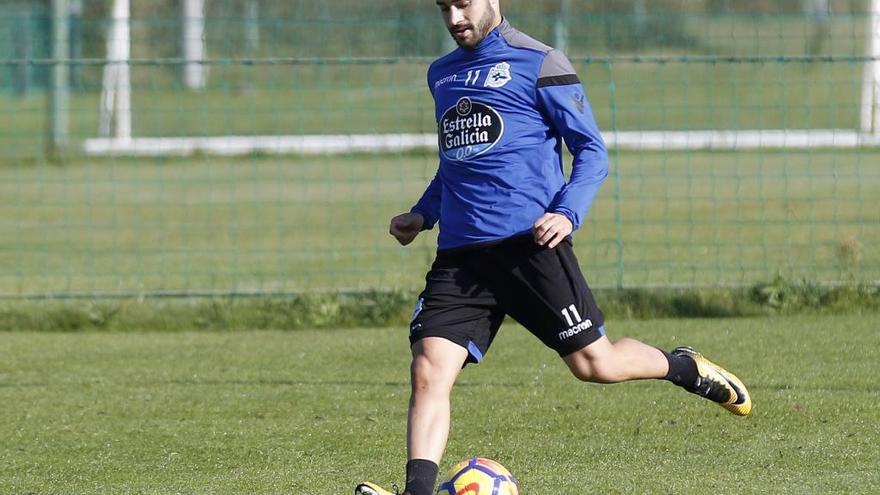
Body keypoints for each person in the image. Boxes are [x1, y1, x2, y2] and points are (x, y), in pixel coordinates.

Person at [356, 1, 752, 494]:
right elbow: (456, 162)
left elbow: (591, 150)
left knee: (596, 365)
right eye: (445, 7)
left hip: (531, 247)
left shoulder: (540, 62)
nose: (455, 17)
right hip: (461, 256)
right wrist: (422, 214)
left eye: (464, 3)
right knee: (427, 371)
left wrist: (566, 212)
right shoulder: (442, 74)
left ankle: (683, 367)